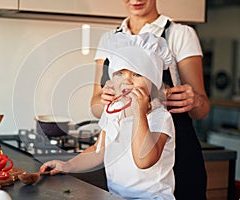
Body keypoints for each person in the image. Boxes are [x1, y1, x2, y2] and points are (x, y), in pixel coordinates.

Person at [90, 1, 210, 199]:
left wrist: (195, 101)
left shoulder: (179, 34)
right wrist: (106, 99)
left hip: (177, 151)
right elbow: (95, 105)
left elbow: (202, 110)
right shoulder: (109, 39)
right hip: (127, 162)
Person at [40, 32, 176, 199]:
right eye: (120, 73)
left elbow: (144, 161)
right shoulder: (114, 110)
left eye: (137, 74)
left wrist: (139, 112)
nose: (127, 81)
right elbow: (99, 151)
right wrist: (67, 165)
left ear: (153, 81)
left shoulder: (159, 117)